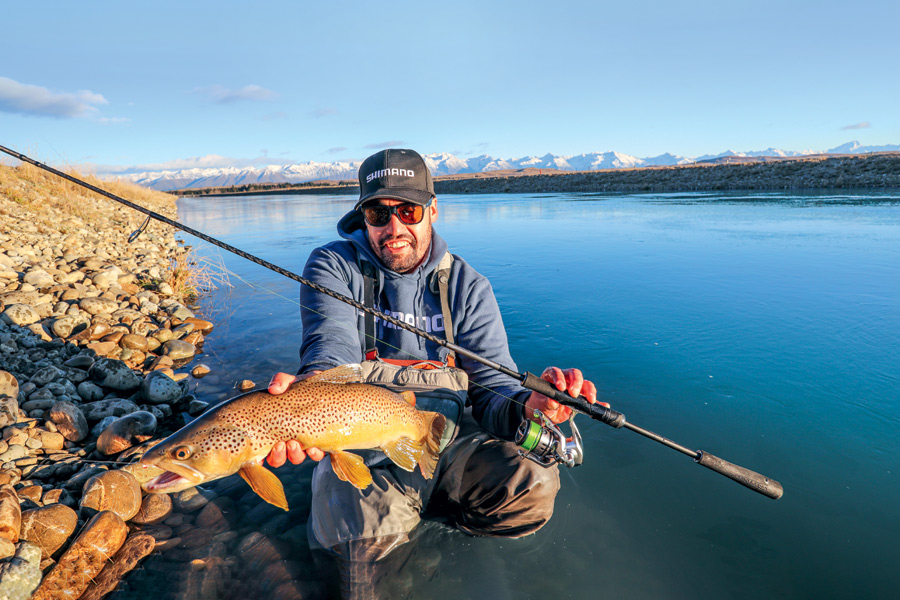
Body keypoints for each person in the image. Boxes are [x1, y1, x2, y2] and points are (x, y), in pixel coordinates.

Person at [265, 148, 603, 576]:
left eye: (408, 211)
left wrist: (530, 408)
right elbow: (328, 348)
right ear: (362, 216)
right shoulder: (333, 266)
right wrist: (308, 393)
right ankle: (400, 532)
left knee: (531, 485)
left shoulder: (469, 287)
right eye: (377, 213)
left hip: (450, 439)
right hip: (364, 448)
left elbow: (492, 389)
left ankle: (447, 539)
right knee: (357, 564)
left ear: (433, 210)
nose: (394, 227)